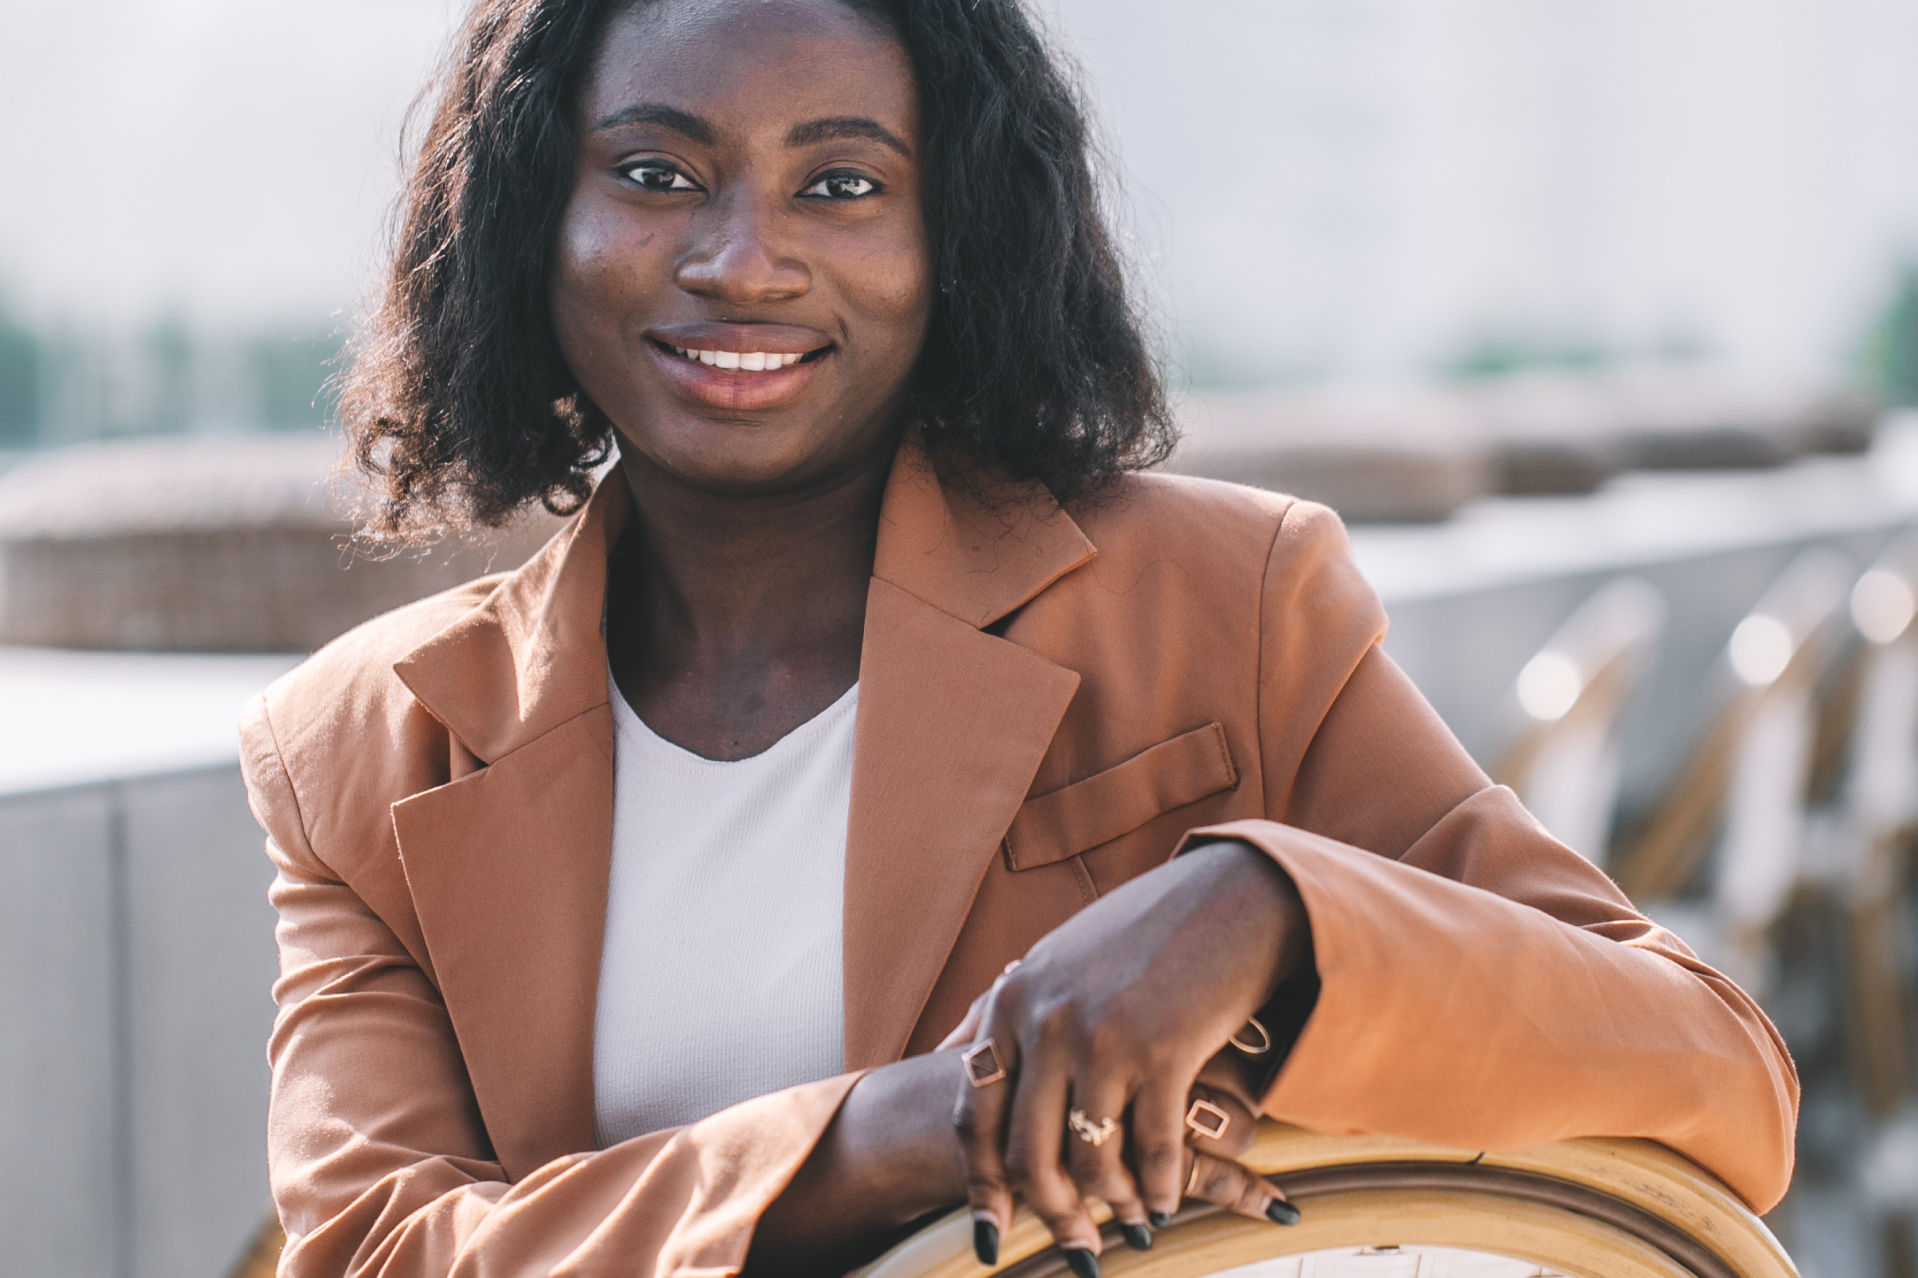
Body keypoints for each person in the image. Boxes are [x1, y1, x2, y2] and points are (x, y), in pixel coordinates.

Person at [236, 0, 1799, 1274]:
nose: (739, 259)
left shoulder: (1220, 601)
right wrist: (908, 1130)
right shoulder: (364, 752)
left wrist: (1267, 904)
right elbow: (383, 1252)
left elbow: (1713, 1074)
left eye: (841, 185)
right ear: (532, 216)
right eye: (654, 173)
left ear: (957, 235)